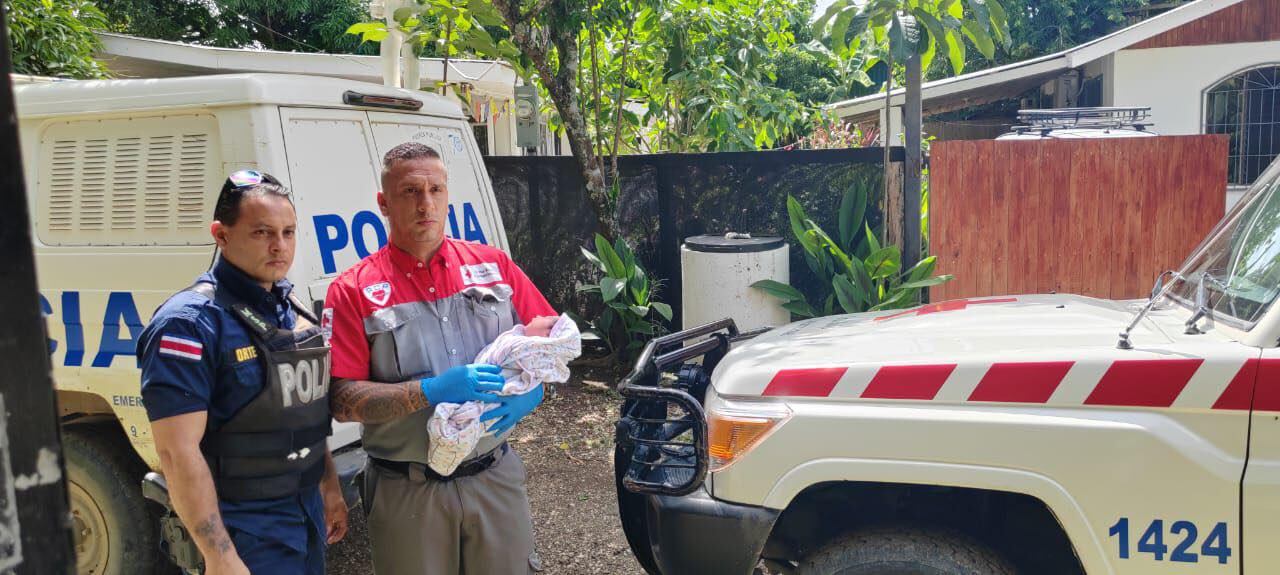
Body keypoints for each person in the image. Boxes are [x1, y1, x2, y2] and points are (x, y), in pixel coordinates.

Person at [324, 142, 556, 574]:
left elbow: (552, 341)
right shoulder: (353, 290)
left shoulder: (494, 266)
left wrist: (535, 391)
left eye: (436, 189)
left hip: (494, 479)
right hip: (408, 492)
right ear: (384, 203)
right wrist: (428, 391)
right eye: (410, 191)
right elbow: (340, 399)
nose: (425, 203)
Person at [138, 170, 348, 575]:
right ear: (220, 235)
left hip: (302, 514)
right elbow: (177, 453)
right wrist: (219, 555)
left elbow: (300, 413)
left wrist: (329, 485)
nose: (279, 246)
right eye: (262, 233)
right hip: (243, 528)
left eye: (288, 232)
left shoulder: (290, 308)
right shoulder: (189, 324)